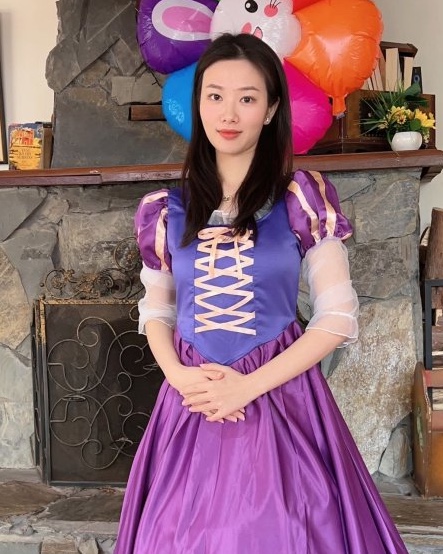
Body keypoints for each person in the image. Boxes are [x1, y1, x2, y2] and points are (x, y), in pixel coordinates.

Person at [115, 33, 408, 553]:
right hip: (192, 398)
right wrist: (180, 378)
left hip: (280, 395)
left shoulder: (301, 197)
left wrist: (247, 388)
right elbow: (157, 310)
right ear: (198, 103)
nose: (229, 113)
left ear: (271, 109)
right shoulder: (164, 210)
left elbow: (338, 315)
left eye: (247, 98)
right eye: (215, 95)